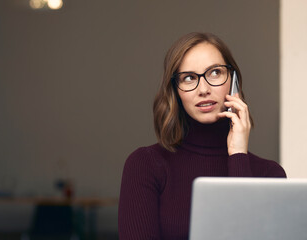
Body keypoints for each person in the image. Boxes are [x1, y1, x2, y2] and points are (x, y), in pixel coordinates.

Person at [118, 32, 286, 240]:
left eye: (215, 73)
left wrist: (238, 158)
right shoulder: (146, 165)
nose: (203, 89)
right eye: (189, 78)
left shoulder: (269, 175)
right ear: (175, 91)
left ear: (233, 81)